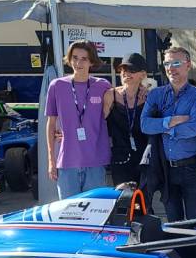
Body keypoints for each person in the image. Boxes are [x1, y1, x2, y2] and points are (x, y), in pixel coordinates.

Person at [141, 46, 196, 221]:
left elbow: (195, 128)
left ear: (188, 65)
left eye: (176, 63)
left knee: (195, 221)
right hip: (166, 168)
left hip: (191, 168)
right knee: (173, 222)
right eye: (167, 63)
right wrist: (171, 121)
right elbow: (145, 125)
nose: (171, 68)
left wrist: (162, 128)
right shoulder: (156, 95)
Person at [45, 41, 112, 199]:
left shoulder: (103, 86)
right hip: (67, 163)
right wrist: (51, 160)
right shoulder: (57, 86)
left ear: (91, 61)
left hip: (96, 162)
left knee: (95, 211)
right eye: (75, 58)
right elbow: (51, 124)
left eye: (84, 59)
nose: (78, 63)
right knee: (69, 212)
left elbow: (120, 99)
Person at [106, 53, 150, 186]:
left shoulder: (149, 96)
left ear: (142, 74)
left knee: (143, 197)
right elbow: (97, 122)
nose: (126, 73)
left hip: (144, 159)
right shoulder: (111, 95)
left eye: (132, 70)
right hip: (120, 159)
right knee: (123, 197)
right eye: (123, 69)